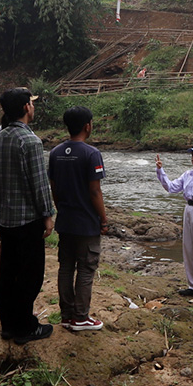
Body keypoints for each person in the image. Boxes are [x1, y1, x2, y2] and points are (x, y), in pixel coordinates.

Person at [0, 88, 56, 344]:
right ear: (26, 108)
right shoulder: (30, 141)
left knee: (9, 273)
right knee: (30, 275)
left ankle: (8, 325)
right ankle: (25, 327)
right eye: (32, 103)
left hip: (7, 219)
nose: (33, 106)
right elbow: (39, 184)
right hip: (28, 219)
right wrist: (48, 214)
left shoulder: (0, 138)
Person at [48, 106, 108, 331]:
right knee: (86, 267)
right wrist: (103, 219)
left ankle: (66, 315)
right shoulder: (91, 153)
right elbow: (95, 191)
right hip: (86, 223)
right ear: (87, 126)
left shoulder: (55, 153)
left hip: (65, 220)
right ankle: (81, 317)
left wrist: (60, 208)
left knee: (66, 267)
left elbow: (53, 187)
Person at [156, 143, 193, 303]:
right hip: (189, 210)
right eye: (192, 155)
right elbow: (171, 188)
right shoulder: (188, 174)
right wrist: (160, 171)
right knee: (189, 249)